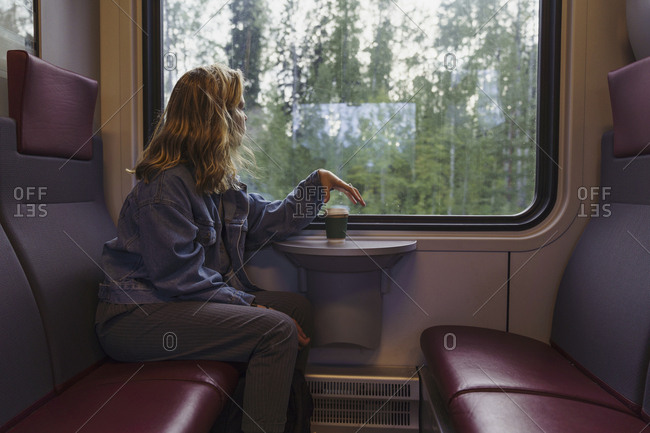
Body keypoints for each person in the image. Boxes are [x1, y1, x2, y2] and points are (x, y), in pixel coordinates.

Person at [94, 63, 365, 433]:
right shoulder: (165, 186)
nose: (244, 116)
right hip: (137, 316)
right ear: (213, 119)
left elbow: (269, 222)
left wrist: (316, 186)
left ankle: (276, 420)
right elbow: (179, 278)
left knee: (296, 309)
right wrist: (252, 305)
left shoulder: (215, 182)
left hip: (177, 304)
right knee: (277, 330)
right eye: (237, 107)